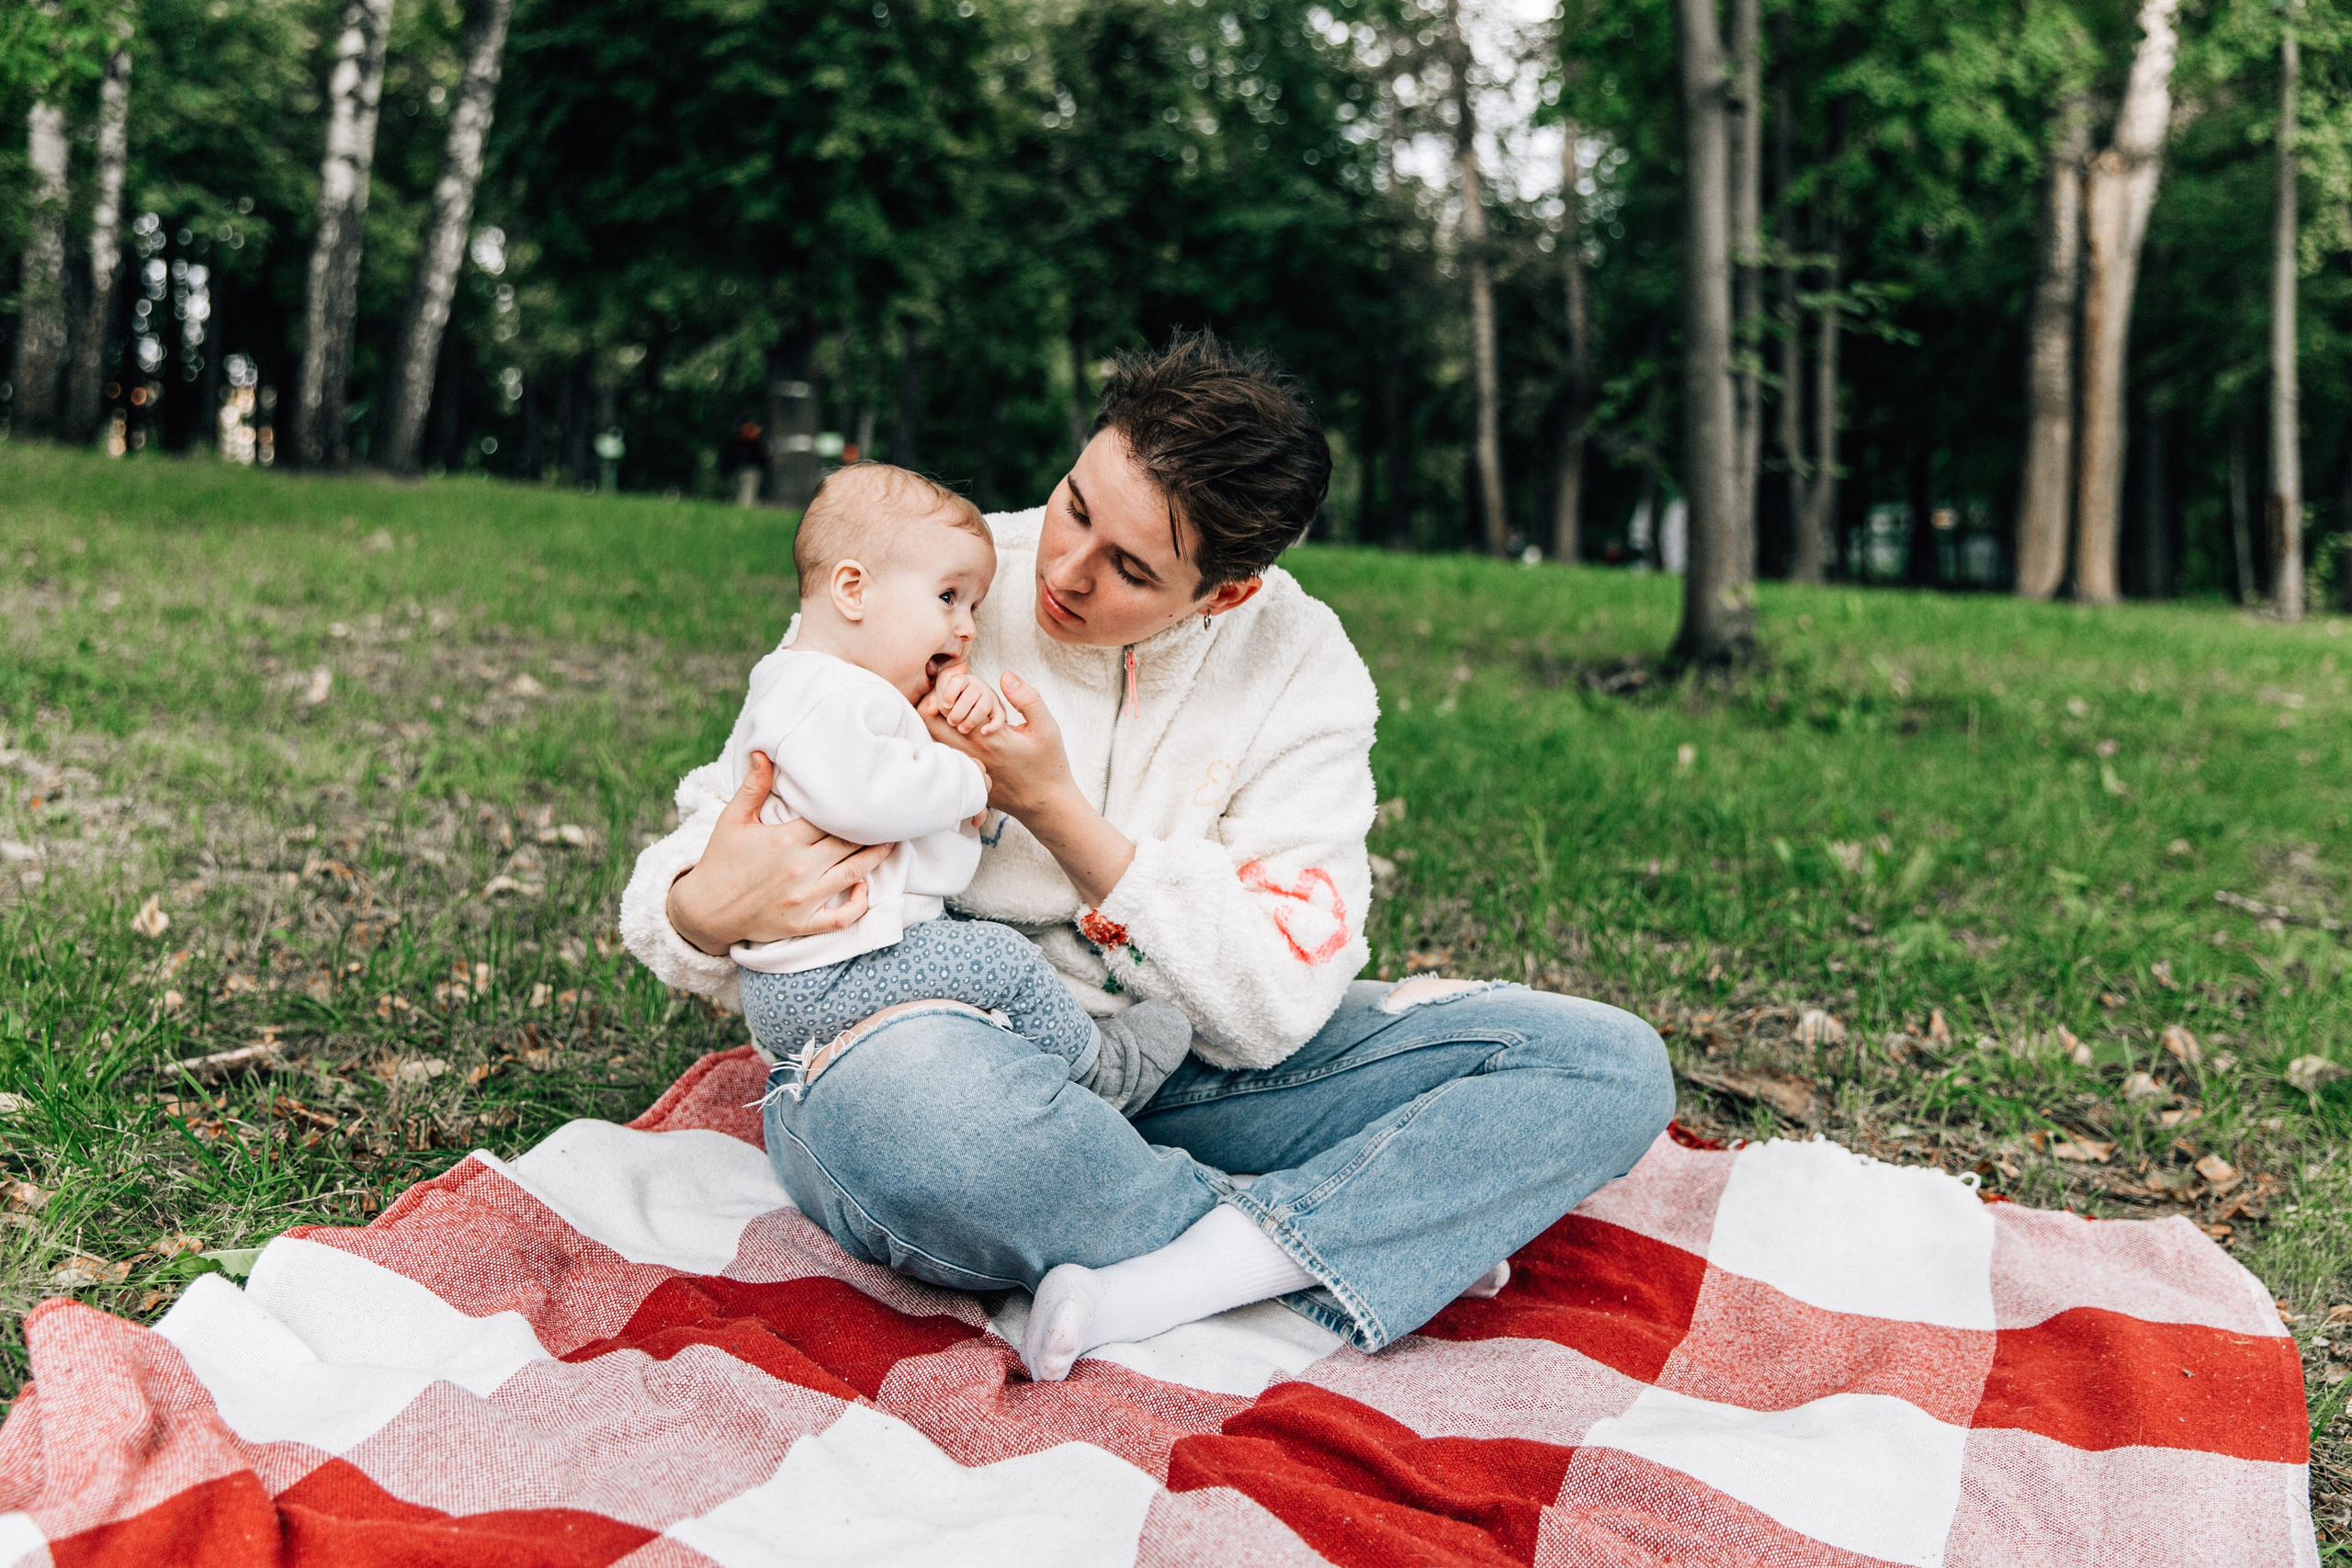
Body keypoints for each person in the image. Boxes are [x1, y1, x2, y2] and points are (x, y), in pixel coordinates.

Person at [620, 330, 1672, 1382]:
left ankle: (1185, 1254)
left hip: (1184, 1063)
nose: (1064, 573)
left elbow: (1274, 1005)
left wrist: (1056, 810)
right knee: (918, 1121)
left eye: (1130, 568)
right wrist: (699, 907)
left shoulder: (1307, 673)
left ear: (1227, 592)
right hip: (951, 1051)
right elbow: (721, 824)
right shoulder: (942, 572)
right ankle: (1346, 1227)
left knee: (1605, 1066)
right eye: (1076, 505)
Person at [722, 460, 1192, 1105]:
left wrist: (950, 790)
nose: (968, 627)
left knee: (968, 1005)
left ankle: (1033, 1084)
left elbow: (918, 851)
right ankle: (1101, 1073)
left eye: (973, 605)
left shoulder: (854, 692)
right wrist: (971, 776)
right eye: (949, 598)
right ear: (853, 590)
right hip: (818, 976)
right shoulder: (815, 692)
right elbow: (865, 801)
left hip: (844, 961)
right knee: (1003, 961)